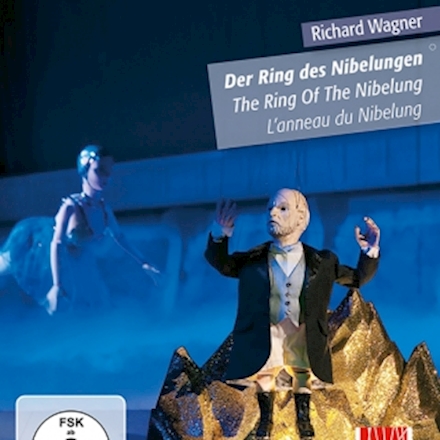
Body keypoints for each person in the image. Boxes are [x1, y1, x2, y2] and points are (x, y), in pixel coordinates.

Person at [204, 188, 380, 439]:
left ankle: (303, 419)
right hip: (268, 331)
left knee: (301, 371)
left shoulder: (323, 262)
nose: (273, 213)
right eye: (270, 208)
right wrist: (220, 233)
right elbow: (222, 264)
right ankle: (265, 420)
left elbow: (356, 278)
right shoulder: (253, 259)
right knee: (266, 371)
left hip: (302, 331)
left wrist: (369, 252)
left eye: (282, 208)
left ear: (301, 218)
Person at [0, 145, 159, 315]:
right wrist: (57, 285)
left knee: (94, 303)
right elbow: (56, 244)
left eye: (109, 170)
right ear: (85, 171)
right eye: (99, 170)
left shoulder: (103, 208)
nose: (106, 176)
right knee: (6, 266)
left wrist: (144, 262)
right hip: (40, 247)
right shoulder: (71, 207)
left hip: (76, 260)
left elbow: (119, 237)